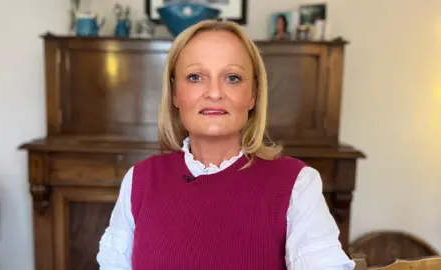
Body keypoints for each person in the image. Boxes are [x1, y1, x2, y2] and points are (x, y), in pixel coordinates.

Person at [96, 19, 355, 270]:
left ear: (253, 94)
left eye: (232, 78)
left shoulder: (297, 185)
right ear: (175, 93)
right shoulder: (139, 181)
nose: (215, 93)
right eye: (196, 77)